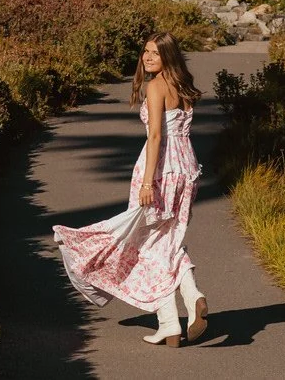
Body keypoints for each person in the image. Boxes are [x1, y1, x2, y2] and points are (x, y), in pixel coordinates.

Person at [53, 32, 207, 347]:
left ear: (168, 56)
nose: (148, 57)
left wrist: (148, 181)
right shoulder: (183, 86)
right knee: (166, 242)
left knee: (145, 243)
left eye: (155, 53)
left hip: (161, 169)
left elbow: (156, 136)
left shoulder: (156, 86)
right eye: (145, 52)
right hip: (187, 169)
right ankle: (174, 318)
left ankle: (188, 301)